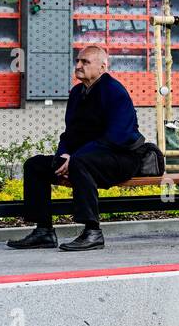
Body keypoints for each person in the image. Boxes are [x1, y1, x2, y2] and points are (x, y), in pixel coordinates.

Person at [8, 46, 144, 251]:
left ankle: (93, 232)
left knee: (80, 163)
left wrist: (76, 157)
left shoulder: (115, 91)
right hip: (86, 158)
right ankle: (43, 231)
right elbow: (70, 133)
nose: (78, 65)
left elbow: (118, 137)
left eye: (85, 62)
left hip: (122, 157)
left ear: (102, 67)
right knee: (35, 165)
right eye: (78, 61)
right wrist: (63, 154)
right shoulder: (76, 93)